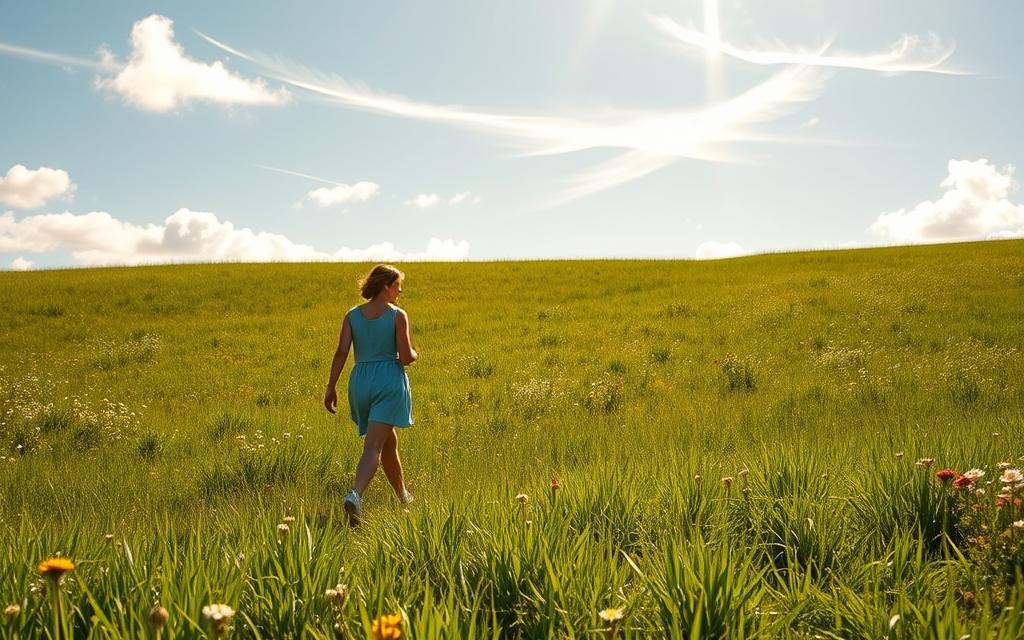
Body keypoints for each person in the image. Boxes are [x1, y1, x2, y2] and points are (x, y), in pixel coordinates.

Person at [323, 264, 418, 525]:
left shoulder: (352, 315)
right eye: (398, 286)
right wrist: (416, 353)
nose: (400, 291)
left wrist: (331, 387)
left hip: (360, 383)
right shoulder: (397, 315)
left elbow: (342, 352)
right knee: (373, 446)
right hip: (388, 381)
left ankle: (403, 496)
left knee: (389, 443)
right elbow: (406, 357)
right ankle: (355, 495)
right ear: (386, 286)